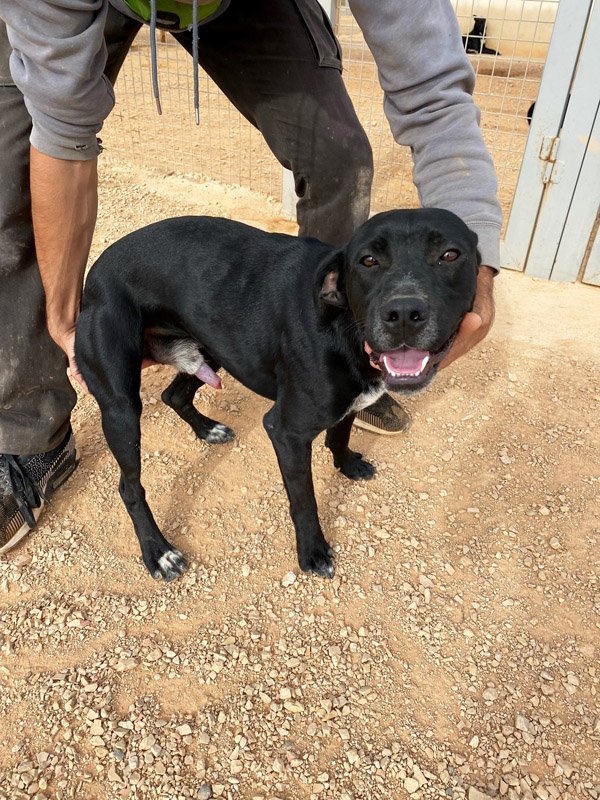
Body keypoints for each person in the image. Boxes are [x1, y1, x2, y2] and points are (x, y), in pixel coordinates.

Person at [0, 0, 500, 553]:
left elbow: (437, 95)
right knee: (8, 182)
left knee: (338, 151)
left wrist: (478, 267)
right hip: (75, 22)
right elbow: (62, 130)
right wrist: (64, 317)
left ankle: (337, 373)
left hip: (242, 7)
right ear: (333, 284)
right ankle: (29, 434)